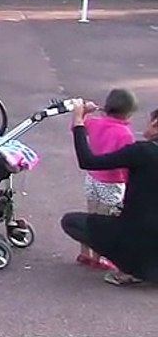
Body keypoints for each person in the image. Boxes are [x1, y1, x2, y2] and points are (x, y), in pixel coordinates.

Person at [61, 97, 157, 286]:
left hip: (137, 233)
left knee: (71, 221)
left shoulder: (143, 152)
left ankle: (131, 269)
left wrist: (79, 120)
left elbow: (88, 161)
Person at [73, 89, 138, 272]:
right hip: (112, 182)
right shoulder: (125, 134)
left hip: (92, 177)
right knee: (106, 221)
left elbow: (77, 127)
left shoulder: (95, 123)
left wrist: (84, 112)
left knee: (91, 215)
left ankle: (85, 253)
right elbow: (127, 162)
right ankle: (99, 257)